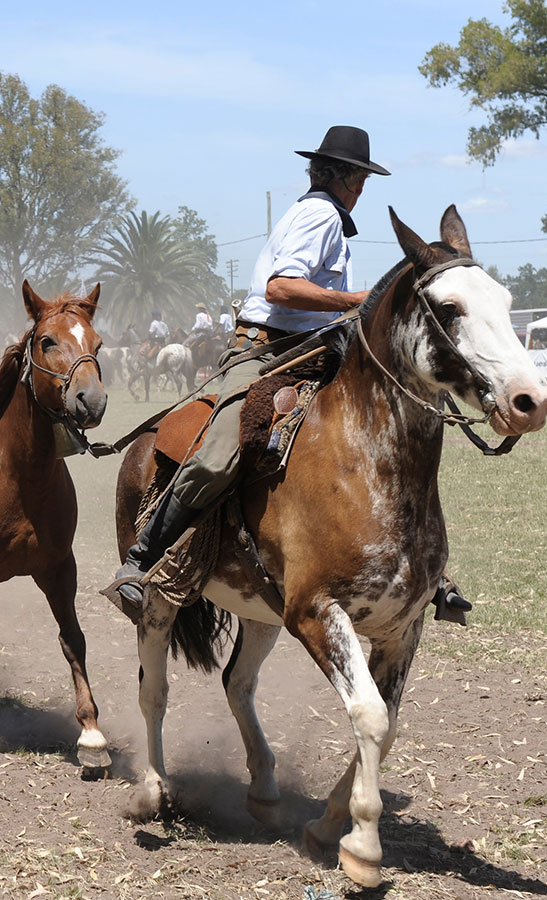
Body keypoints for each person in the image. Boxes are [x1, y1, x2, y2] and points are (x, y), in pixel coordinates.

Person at [103, 126, 480, 621]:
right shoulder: (319, 214)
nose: (361, 189)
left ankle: (420, 568)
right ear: (351, 181)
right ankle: (143, 558)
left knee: (397, 430)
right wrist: (355, 301)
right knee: (218, 452)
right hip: (270, 350)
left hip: (318, 347)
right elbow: (281, 289)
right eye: (361, 179)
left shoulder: (329, 217)